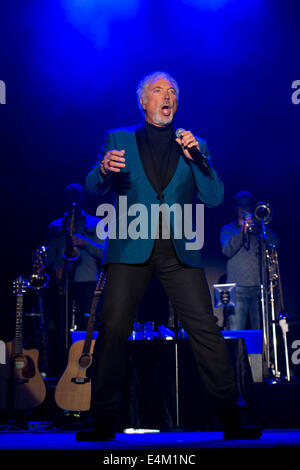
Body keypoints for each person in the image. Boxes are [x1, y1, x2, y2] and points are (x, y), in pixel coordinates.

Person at [77, 72, 262, 441]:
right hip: (131, 245)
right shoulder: (119, 138)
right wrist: (101, 170)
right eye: (158, 90)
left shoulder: (195, 144)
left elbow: (213, 197)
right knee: (113, 328)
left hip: (178, 250)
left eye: (173, 91)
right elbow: (93, 188)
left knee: (205, 329)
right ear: (142, 102)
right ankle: (102, 419)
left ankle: (231, 417)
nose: (168, 96)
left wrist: (197, 159)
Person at [46, 184, 106, 367]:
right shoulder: (55, 226)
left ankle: (87, 364)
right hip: (63, 281)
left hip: (88, 281)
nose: (73, 200)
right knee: (60, 325)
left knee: (87, 325)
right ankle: (60, 365)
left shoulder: (96, 223)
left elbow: (105, 253)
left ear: (83, 199)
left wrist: (86, 242)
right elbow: (49, 255)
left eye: (77, 196)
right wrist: (55, 267)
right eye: (69, 196)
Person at [220, 191, 278, 330]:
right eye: (240, 205)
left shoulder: (259, 229)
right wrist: (242, 231)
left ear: (252, 207)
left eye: (247, 206)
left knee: (261, 332)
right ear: (235, 207)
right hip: (236, 288)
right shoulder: (228, 229)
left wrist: (260, 228)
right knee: (236, 331)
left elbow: (276, 243)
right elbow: (227, 251)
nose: (244, 209)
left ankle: (260, 353)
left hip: (259, 287)